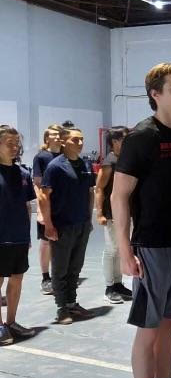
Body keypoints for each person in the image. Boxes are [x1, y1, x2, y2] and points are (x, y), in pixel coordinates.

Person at [111, 63, 171, 378]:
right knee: (148, 331)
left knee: (170, 326)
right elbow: (120, 195)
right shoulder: (141, 138)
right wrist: (124, 249)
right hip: (150, 248)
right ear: (156, 94)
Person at [40, 127, 96, 325]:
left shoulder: (86, 164)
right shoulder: (55, 167)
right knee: (60, 269)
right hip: (62, 225)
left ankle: (72, 303)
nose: (79, 144)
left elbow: (90, 192)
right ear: (63, 142)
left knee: (75, 266)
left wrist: (89, 219)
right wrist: (48, 225)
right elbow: (44, 196)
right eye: (75, 140)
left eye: (81, 140)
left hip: (81, 224)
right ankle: (61, 308)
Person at [0, 125, 37, 345]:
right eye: (9, 143)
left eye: (17, 143)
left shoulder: (23, 173)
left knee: (17, 280)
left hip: (19, 237)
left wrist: (27, 235)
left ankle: (11, 323)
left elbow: (26, 207)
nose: (15, 147)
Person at [95, 126, 132, 304]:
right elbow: (99, 189)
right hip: (111, 214)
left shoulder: (125, 160)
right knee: (111, 250)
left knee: (119, 249)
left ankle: (118, 284)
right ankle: (109, 287)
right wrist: (100, 213)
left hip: (125, 212)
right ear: (115, 142)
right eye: (124, 138)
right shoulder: (109, 162)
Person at [32, 124, 63, 295]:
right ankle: (46, 277)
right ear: (46, 138)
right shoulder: (41, 157)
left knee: (61, 242)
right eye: (53, 134)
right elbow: (37, 184)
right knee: (45, 242)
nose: (57, 137)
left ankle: (60, 276)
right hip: (47, 206)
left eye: (59, 134)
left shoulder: (67, 156)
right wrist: (41, 210)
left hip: (63, 207)